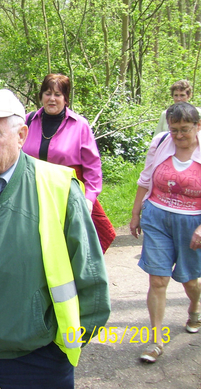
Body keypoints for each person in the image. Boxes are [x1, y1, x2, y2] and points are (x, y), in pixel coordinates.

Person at [0, 89, 111, 389]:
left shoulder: (58, 187)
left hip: (37, 360)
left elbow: (91, 280)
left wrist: (63, 348)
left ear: (21, 135)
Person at [130, 101, 201, 364]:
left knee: (189, 280)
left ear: (198, 126)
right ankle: (156, 341)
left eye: (185, 129)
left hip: (192, 223)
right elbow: (145, 178)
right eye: (174, 130)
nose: (179, 136)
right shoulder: (161, 143)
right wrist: (136, 213)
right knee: (158, 280)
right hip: (157, 217)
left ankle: (195, 306)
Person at [22, 74, 116, 253]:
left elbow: (92, 167)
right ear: (41, 96)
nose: (52, 99)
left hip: (66, 194)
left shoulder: (80, 125)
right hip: (33, 192)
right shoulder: (28, 121)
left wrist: (89, 198)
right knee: (36, 244)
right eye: (47, 93)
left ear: (65, 99)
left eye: (58, 94)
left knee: (69, 246)